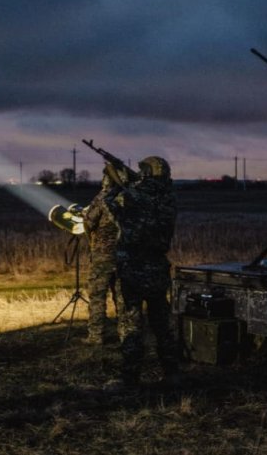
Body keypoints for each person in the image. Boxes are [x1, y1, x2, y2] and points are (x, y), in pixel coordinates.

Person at [104, 156, 179, 387]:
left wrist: (114, 180)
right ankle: (172, 373)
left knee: (131, 325)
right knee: (162, 324)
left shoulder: (132, 194)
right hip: (157, 266)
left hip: (132, 268)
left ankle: (130, 378)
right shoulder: (169, 198)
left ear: (145, 172)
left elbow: (110, 205)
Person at [82, 171, 119, 345]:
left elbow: (89, 223)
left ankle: (96, 336)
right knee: (122, 296)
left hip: (103, 256)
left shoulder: (103, 198)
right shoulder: (129, 198)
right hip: (124, 256)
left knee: (97, 296)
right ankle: (126, 334)